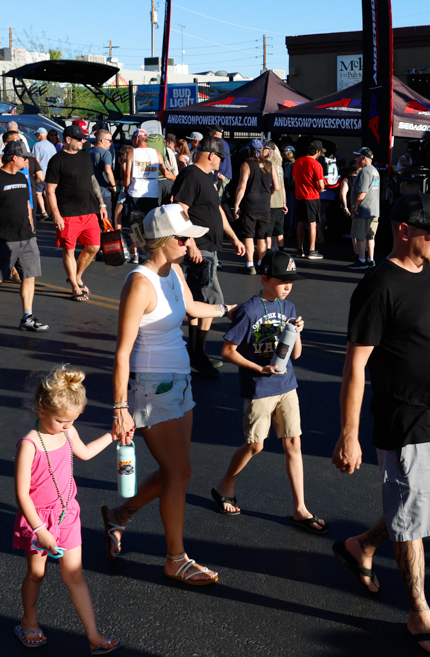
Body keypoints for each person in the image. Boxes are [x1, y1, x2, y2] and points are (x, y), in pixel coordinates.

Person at [332, 192, 430, 657]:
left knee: (426, 505)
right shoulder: (378, 286)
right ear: (404, 230)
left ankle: (363, 546)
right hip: (403, 419)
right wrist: (349, 435)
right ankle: (418, 614)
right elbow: (355, 366)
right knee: (412, 518)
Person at [103, 205, 236, 585]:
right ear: (162, 240)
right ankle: (175, 559)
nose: (190, 243)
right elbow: (122, 352)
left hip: (180, 381)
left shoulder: (174, 271)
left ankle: (119, 515)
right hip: (151, 386)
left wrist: (229, 309)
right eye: (183, 238)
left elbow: (190, 308)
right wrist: (120, 408)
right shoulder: (140, 283)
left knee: (175, 470)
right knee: (179, 472)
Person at [211, 250, 327, 533]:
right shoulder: (249, 310)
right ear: (264, 279)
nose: (288, 285)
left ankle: (300, 509)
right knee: (255, 445)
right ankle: (225, 484)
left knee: (294, 443)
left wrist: (297, 332)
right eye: (282, 280)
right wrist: (258, 368)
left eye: (291, 281)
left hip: (287, 385)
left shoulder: (290, 308)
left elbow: (295, 355)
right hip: (260, 387)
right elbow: (227, 351)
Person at [12, 366, 121, 653]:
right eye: (62, 420)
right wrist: (40, 530)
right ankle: (28, 620)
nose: (67, 426)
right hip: (38, 519)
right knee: (36, 573)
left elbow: (84, 453)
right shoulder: (29, 445)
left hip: (66, 515)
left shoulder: (68, 430)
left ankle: (93, 636)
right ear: (41, 410)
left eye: (72, 421)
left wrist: (112, 436)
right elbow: (22, 494)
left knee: (75, 574)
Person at [170, 137, 246, 378]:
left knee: (197, 301)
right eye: (221, 157)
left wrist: (234, 237)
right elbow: (179, 209)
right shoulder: (191, 175)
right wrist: (189, 241)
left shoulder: (208, 178)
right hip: (199, 247)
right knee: (213, 301)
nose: (222, 161)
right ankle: (198, 354)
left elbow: (217, 211)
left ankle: (195, 352)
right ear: (211, 155)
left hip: (208, 247)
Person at [0, 141, 48, 332]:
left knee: (29, 276)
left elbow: (26, 204)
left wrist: (31, 227)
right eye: (25, 158)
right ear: (14, 158)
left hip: (27, 237)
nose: (27, 161)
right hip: (3, 239)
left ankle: (27, 317)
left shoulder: (23, 178)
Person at [45, 124, 108, 302]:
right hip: (68, 213)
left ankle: (77, 276)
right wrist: (56, 214)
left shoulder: (86, 157)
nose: (83, 142)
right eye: (79, 139)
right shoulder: (57, 160)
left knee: (94, 247)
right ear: (68, 140)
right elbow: (50, 190)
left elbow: (92, 180)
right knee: (69, 250)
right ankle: (74, 286)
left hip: (89, 211)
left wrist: (102, 204)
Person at [232, 140, 276, 274]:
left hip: (250, 205)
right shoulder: (270, 165)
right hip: (265, 206)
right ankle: (261, 264)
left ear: (249, 150)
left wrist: (236, 205)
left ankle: (250, 265)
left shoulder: (247, 164)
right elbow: (277, 187)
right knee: (262, 237)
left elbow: (241, 187)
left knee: (249, 236)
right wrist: (267, 194)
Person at [347, 147, 380, 271]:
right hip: (373, 210)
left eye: (358, 156)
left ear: (364, 158)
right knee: (370, 236)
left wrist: (355, 205)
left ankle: (362, 260)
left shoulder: (365, 171)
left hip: (363, 210)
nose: (356, 159)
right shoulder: (375, 171)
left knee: (360, 236)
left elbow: (363, 191)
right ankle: (370, 259)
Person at [293, 141, 326, 259]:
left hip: (300, 196)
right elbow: (321, 185)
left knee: (300, 223)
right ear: (317, 151)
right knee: (312, 223)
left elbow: (294, 178)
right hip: (312, 197)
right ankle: (311, 251)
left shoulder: (298, 161)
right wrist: (318, 190)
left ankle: (300, 250)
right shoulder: (316, 164)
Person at [88, 129, 116, 217]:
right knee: (106, 219)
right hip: (104, 191)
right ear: (103, 141)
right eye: (110, 141)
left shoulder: (88, 151)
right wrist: (113, 185)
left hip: (89, 191)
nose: (111, 143)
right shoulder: (106, 153)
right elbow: (108, 170)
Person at [267, 143, 287, 251]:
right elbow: (282, 186)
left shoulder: (268, 164)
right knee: (279, 231)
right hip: (279, 202)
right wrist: (284, 202)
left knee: (268, 231)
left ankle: (267, 252)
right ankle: (281, 251)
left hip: (270, 201)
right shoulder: (279, 166)